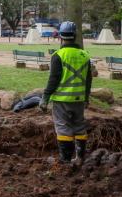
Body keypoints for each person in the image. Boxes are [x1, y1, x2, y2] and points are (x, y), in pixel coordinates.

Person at [39, 21, 92, 165]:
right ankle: (80, 158)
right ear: (75, 36)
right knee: (79, 127)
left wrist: (45, 98)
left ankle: (65, 160)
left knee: (63, 127)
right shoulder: (85, 55)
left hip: (62, 101)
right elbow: (88, 80)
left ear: (60, 37)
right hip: (79, 100)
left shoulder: (59, 55)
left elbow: (53, 79)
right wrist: (86, 98)